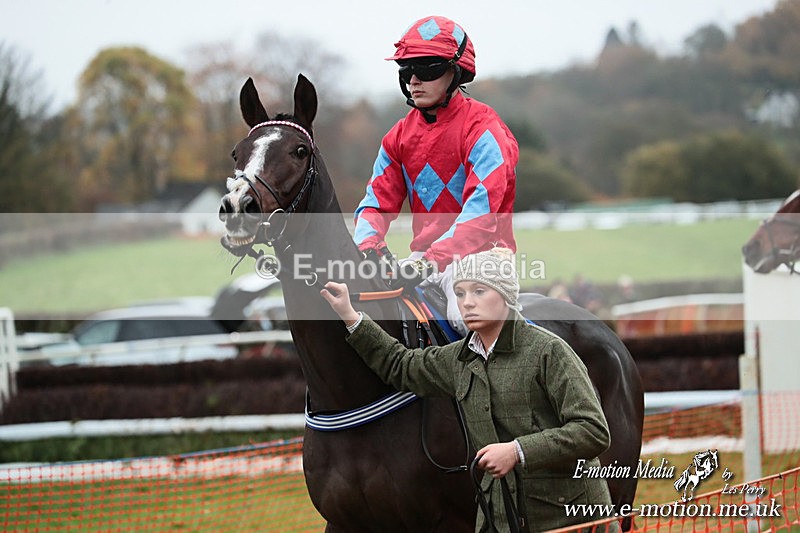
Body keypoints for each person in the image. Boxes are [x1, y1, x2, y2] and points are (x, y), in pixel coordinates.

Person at [320, 248, 613, 533]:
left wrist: (517, 451)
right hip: (500, 519)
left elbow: (593, 431)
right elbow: (400, 365)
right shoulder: (458, 358)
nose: (467, 303)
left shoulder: (550, 351)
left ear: (506, 295)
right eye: (459, 293)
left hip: (572, 521)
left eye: (479, 291)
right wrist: (350, 315)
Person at [352, 15, 519, 335]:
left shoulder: (485, 129)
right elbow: (374, 203)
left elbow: (481, 214)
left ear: (456, 72)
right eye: (407, 71)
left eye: (427, 70)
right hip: (423, 259)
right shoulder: (397, 137)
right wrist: (368, 246)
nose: (414, 80)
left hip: (483, 257)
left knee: (467, 317)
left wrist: (429, 261)